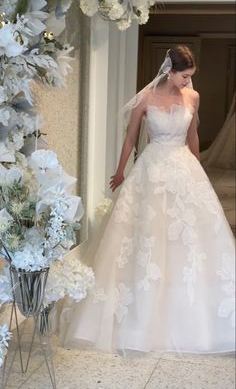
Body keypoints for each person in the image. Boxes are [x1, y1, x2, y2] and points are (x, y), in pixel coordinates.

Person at [60, 45, 235, 354]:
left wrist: (198, 171)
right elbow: (131, 138)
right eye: (184, 76)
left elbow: (193, 135)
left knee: (187, 239)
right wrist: (119, 172)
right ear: (169, 70)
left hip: (183, 169)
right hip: (151, 169)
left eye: (190, 77)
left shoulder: (192, 98)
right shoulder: (145, 99)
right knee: (146, 235)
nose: (187, 82)